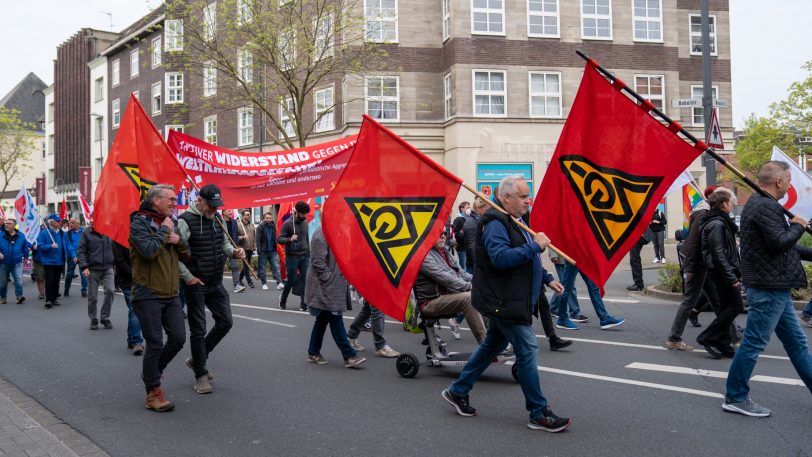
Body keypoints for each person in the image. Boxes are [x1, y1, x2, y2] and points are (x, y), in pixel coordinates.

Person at [441, 175, 570, 432]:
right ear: (506, 198)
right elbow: (501, 258)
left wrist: (545, 278)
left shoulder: (515, 220)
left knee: (491, 347)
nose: (528, 201)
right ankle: (538, 411)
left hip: (511, 299)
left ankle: (457, 390)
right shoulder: (496, 223)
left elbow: (525, 258)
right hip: (505, 301)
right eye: (522, 197)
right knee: (528, 349)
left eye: (527, 196)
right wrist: (535, 247)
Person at [722, 161, 812, 417]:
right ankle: (735, 396)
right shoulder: (765, 206)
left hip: (775, 285)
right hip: (768, 287)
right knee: (754, 343)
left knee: (797, 343)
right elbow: (779, 243)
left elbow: (785, 248)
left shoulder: (762, 204)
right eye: (789, 179)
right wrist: (798, 225)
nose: (791, 184)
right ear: (779, 181)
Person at [178, 184, 245, 394]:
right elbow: (173, 255)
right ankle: (200, 374)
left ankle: (198, 357)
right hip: (196, 283)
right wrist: (188, 277)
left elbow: (223, 243)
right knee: (198, 329)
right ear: (201, 201)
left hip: (215, 281)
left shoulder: (217, 219)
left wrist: (234, 252)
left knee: (226, 322)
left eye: (218, 205)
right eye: (212, 205)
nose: (215, 209)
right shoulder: (184, 221)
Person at [130, 184, 191, 412]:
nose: (175, 203)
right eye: (171, 199)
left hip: (171, 293)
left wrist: (179, 241)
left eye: (175, 200)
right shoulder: (139, 223)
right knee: (155, 343)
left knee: (178, 338)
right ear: (156, 200)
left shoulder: (169, 223)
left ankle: (152, 372)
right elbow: (148, 251)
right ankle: (153, 393)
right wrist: (165, 231)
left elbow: (186, 255)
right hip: (148, 294)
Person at [304, 227, 366, 368]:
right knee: (334, 316)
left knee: (323, 319)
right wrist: (330, 278)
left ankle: (313, 352)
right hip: (325, 286)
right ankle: (349, 355)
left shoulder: (338, 232)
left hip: (334, 285)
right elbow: (318, 262)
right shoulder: (321, 234)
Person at [665, 185, 717, 351]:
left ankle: (733, 335)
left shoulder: (706, 213)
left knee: (717, 300)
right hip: (698, 264)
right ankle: (673, 338)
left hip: (704, 263)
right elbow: (693, 243)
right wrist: (689, 268)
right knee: (690, 301)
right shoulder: (703, 214)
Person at [414, 230, 487, 344]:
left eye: (444, 233)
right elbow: (444, 277)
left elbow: (461, 273)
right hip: (431, 302)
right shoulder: (423, 255)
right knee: (468, 298)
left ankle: (494, 339)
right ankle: (485, 345)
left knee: (484, 292)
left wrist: (482, 282)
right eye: (439, 233)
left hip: (448, 295)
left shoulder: (444, 251)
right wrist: (469, 286)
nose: (443, 236)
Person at [695, 188, 742, 358]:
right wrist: (731, 277)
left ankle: (724, 344)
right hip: (721, 272)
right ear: (724, 204)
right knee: (737, 306)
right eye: (730, 202)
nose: (732, 205)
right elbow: (718, 253)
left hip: (720, 271)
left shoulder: (719, 221)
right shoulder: (717, 223)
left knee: (724, 308)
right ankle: (707, 337)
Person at [551, 260, 625, 331]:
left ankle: (604, 318)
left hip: (584, 256)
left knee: (594, 287)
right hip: (573, 255)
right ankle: (562, 319)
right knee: (566, 288)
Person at [78, 222, 115, 330]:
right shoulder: (86, 232)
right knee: (92, 297)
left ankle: (104, 317)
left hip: (108, 267)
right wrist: (84, 267)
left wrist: (115, 265)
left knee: (110, 291)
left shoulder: (109, 230)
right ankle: (93, 319)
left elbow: (115, 248)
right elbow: (81, 251)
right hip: (93, 269)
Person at [35, 215, 74, 309]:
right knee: (50, 280)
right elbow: (40, 246)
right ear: (51, 222)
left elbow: (68, 245)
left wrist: (73, 255)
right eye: (57, 221)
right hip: (49, 261)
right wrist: (50, 246)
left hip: (60, 261)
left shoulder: (62, 233)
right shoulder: (44, 233)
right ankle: (49, 299)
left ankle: (55, 297)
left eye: (59, 221)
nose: (59, 222)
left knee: (56, 281)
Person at [278, 201, 311, 312]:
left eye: (305, 214)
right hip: (292, 256)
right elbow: (279, 239)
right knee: (291, 280)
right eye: (302, 214)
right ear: (296, 212)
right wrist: (289, 239)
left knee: (304, 280)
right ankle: (283, 299)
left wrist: (309, 254)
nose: (304, 216)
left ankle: (303, 303)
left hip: (304, 256)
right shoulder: (287, 224)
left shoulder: (305, 223)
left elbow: (306, 239)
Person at [113, 240, 143, 355]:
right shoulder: (119, 239)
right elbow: (119, 262)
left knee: (133, 309)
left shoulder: (141, 234)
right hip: (127, 281)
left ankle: (131, 339)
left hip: (142, 280)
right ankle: (136, 341)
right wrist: (136, 274)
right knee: (134, 309)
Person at [0, 218, 31, 304]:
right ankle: (3, 298)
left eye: (9, 223)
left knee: (19, 280)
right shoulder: (0, 235)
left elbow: (25, 247)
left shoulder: (21, 235)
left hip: (17, 262)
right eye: (6, 223)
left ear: (14, 226)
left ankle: (19, 296)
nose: (6, 224)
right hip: (3, 263)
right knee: (3, 282)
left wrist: (26, 257)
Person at [256, 211, 283, 291]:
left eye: (270, 218)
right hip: (263, 252)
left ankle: (279, 283)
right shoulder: (260, 227)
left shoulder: (274, 226)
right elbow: (258, 240)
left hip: (273, 251)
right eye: (267, 218)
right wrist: (259, 250)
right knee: (263, 269)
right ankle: (264, 283)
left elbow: (276, 237)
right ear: (264, 218)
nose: (268, 219)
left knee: (276, 267)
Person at [64, 218, 88, 297]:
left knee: (84, 274)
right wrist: (74, 256)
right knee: (69, 274)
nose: (70, 224)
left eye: (72, 223)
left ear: (77, 224)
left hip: (83, 256)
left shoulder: (84, 232)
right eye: (70, 222)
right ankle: (66, 289)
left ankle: (84, 290)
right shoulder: (68, 234)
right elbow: (68, 246)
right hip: (72, 257)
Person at [221, 209, 242, 293]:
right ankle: (218, 285)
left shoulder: (234, 222)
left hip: (232, 247)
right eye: (229, 211)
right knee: (219, 267)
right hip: (222, 247)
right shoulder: (219, 221)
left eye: (231, 211)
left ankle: (237, 285)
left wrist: (236, 244)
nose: (231, 212)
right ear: (224, 212)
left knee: (235, 267)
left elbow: (236, 234)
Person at [236, 209, 256, 289]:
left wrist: (254, 246)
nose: (249, 216)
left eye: (249, 214)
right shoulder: (238, 225)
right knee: (247, 266)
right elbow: (235, 237)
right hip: (242, 248)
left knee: (246, 266)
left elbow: (254, 236)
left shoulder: (251, 225)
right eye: (247, 215)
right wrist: (242, 237)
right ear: (243, 216)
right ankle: (249, 282)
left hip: (250, 248)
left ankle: (239, 279)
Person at [452, 201, 470, 269]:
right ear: (462, 209)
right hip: (462, 248)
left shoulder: (467, 218)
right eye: (467, 208)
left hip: (468, 248)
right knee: (463, 268)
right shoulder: (458, 219)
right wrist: (464, 232)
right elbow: (456, 234)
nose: (469, 210)